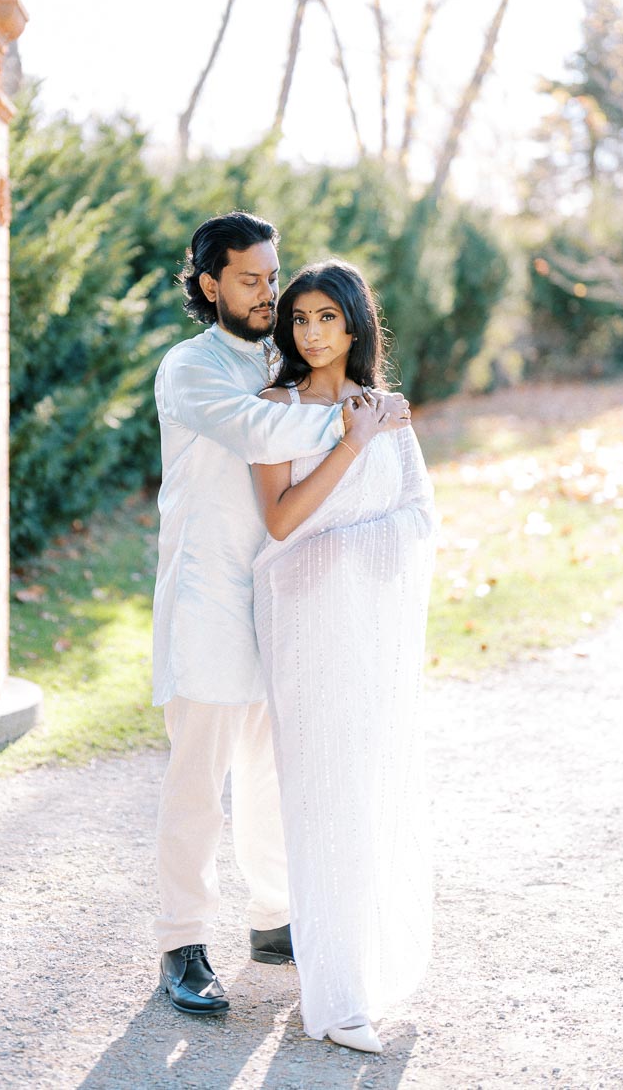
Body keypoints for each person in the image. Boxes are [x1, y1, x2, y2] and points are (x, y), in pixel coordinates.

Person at [152, 213, 405, 1017]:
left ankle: (272, 919)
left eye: (273, 276)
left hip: (276, 596)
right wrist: (356, 418)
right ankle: (182, 942)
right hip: (206, 602)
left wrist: (358, 405)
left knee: (270, 769)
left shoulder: (277, 358)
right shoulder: (189, 370)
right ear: (209, 285)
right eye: (251, 279)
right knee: (200, 781)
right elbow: (260, 427)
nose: (270, 293)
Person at [251, 259, 436, 1053]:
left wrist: (368, 432)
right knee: (321, 795)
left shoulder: (388, 409)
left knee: (372, 788)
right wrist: (350, 444)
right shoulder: (273, 409)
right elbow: (283, 524)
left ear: (355, 325)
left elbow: (420, 515)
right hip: (308, 632)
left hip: (371, 631)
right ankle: (333, 999)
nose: (311, 331)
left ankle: (362, 968)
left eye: (326, 317)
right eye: (299, 318)